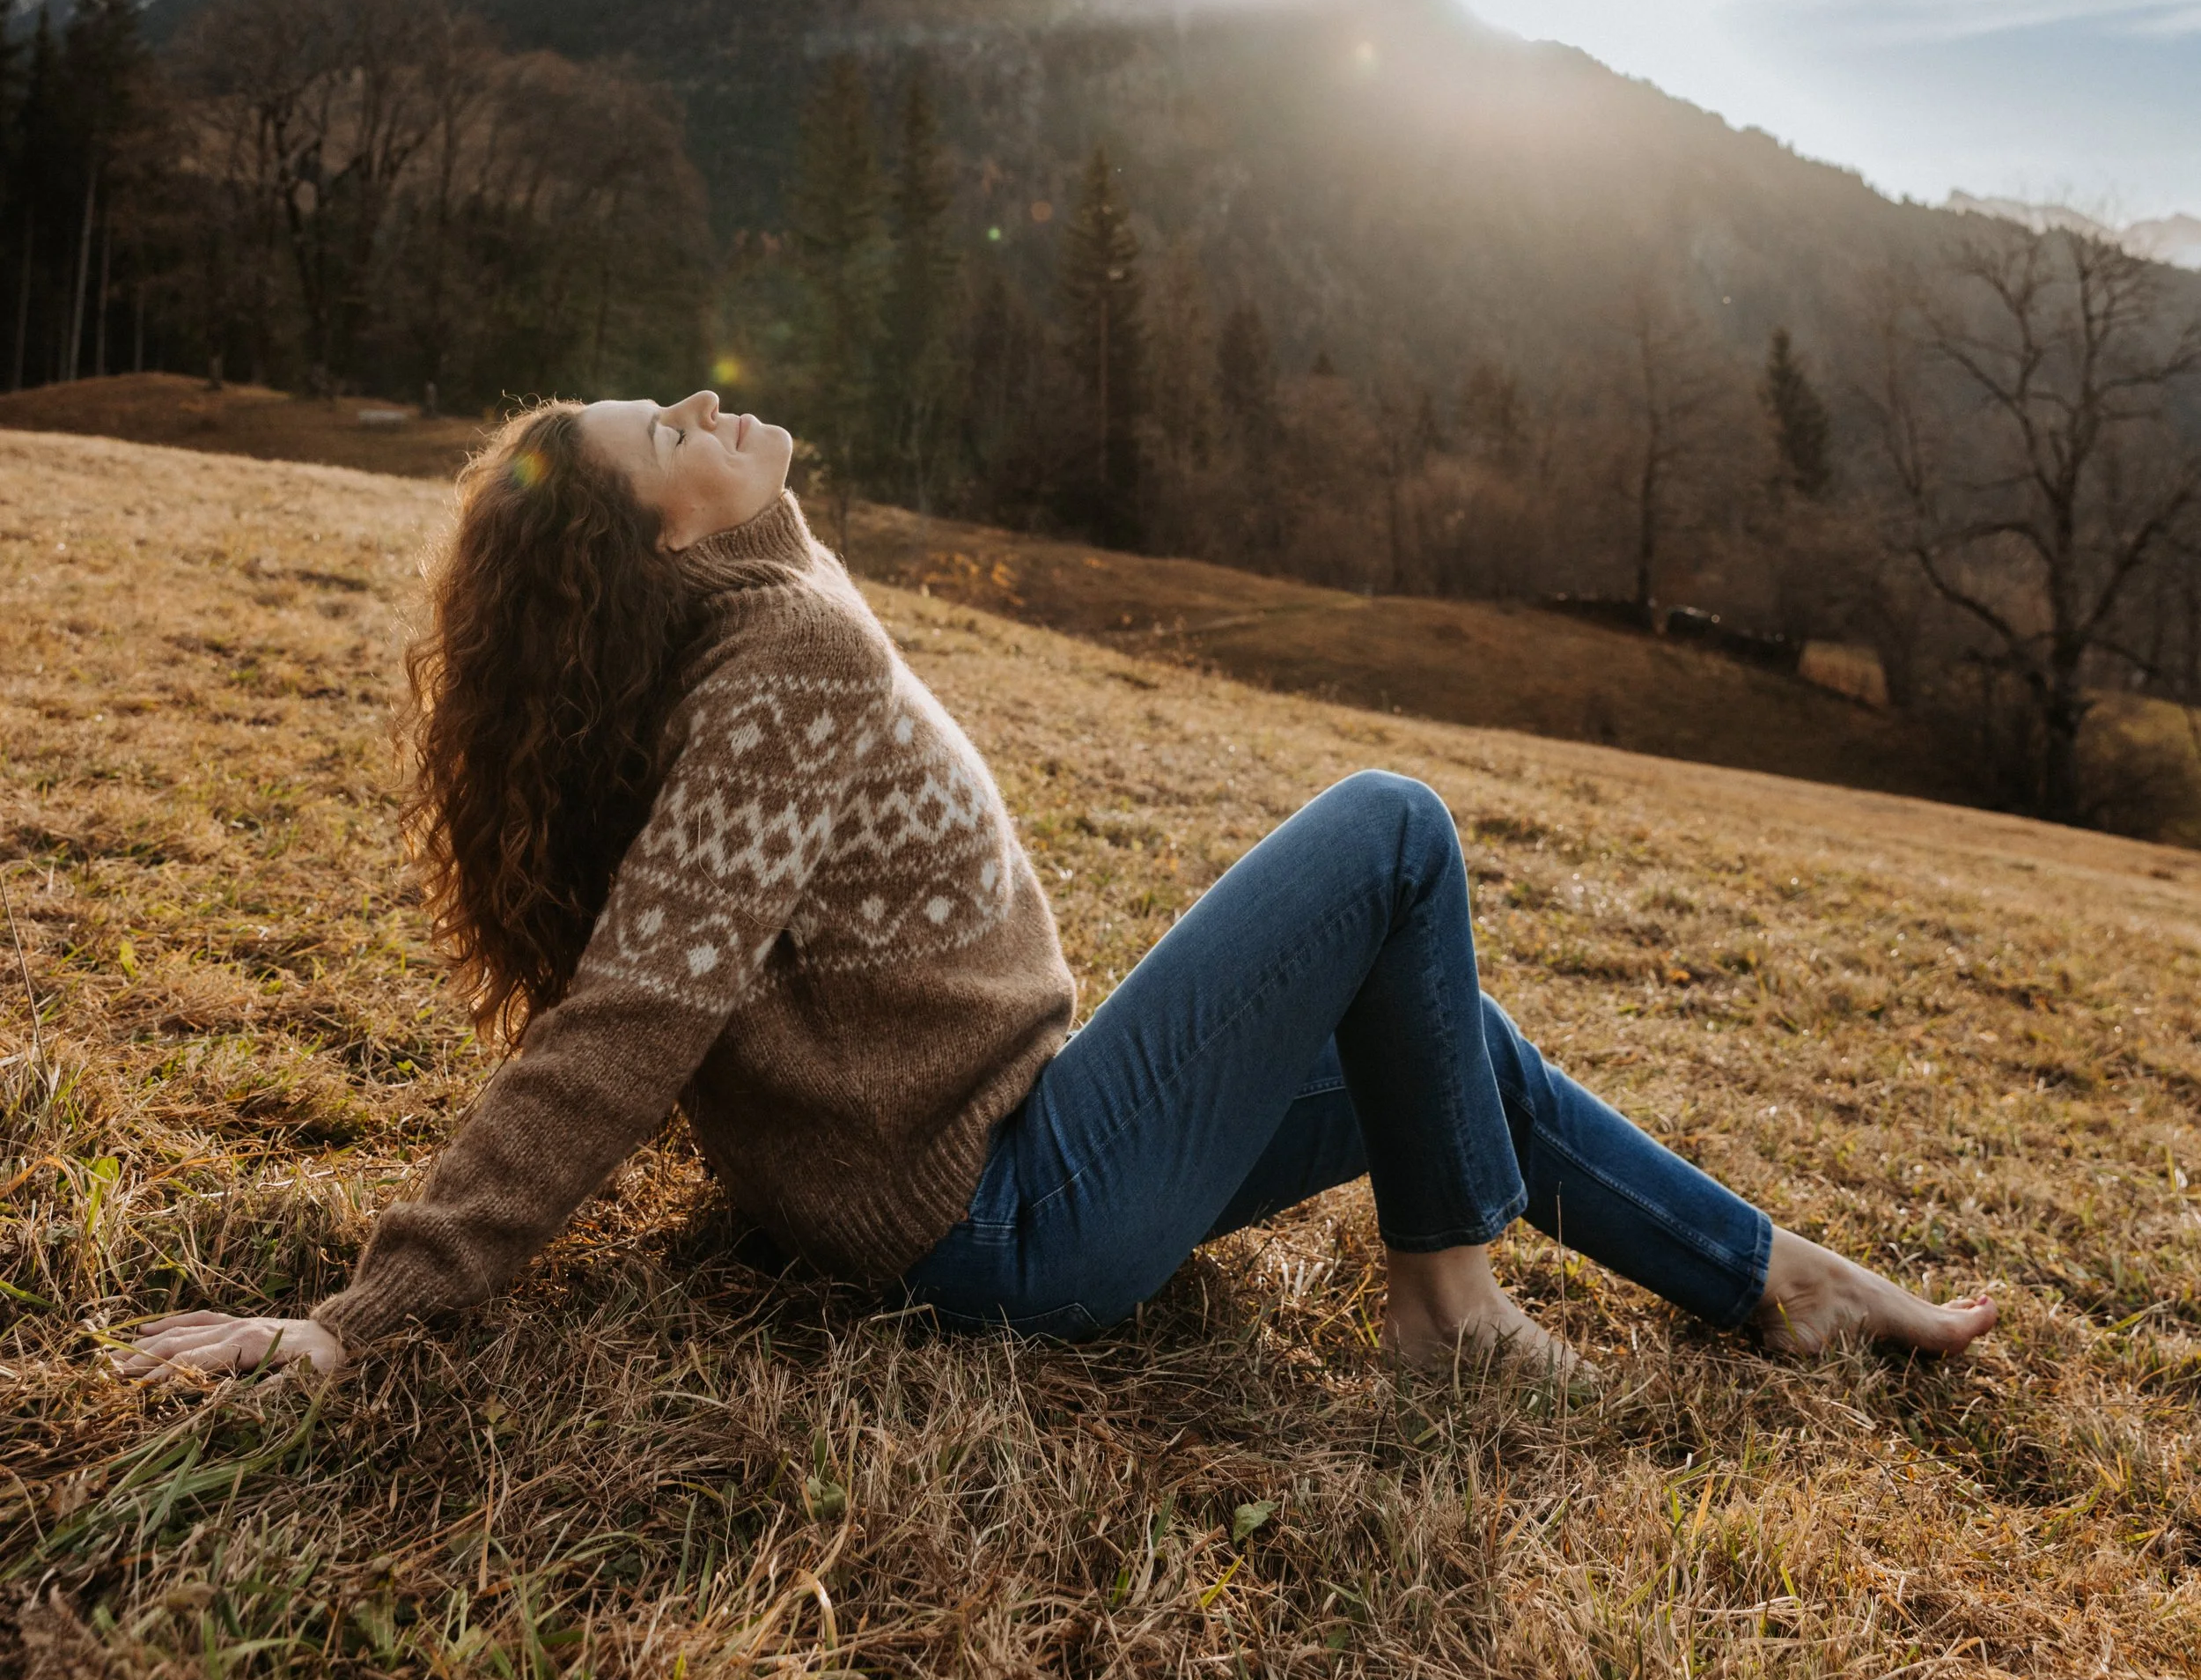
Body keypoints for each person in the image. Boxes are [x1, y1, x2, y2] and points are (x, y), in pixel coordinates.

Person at [120, 393, 1999, 1390]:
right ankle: (1443, 1313)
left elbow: (749, 711)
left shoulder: (754, 616)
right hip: (1009, 1212)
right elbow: (632, 1016)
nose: (703, 401)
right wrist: (372, 1310)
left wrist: (748, 506)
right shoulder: (777, 670)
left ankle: (1779, 1284)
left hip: (1002, 1155)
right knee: (1390, 827)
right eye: (662, 430)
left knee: (1442, 1031)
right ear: (658, 537)